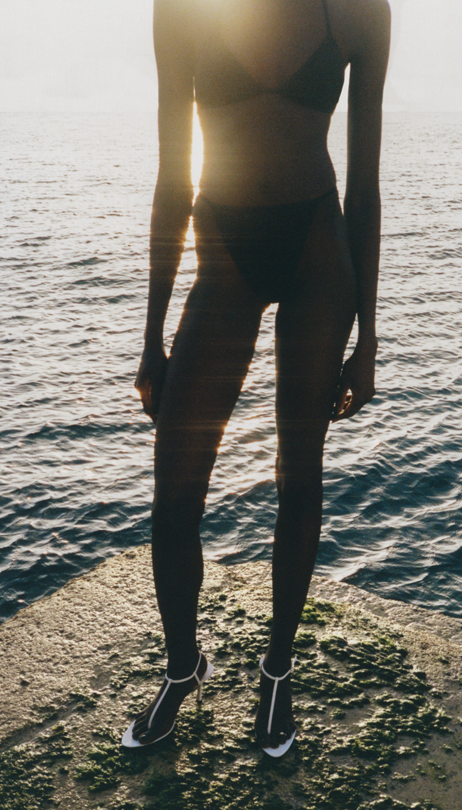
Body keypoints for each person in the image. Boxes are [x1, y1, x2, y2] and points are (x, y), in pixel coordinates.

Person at [122, 0, 391, 756]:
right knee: (174, 493)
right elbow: (173, 171)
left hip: (316, 253)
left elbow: (365, 190)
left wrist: (368, 340)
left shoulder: (359, 12)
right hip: (223, 255)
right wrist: (151, 338)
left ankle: (277, 675)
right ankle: (183, 670)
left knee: (297, 478)